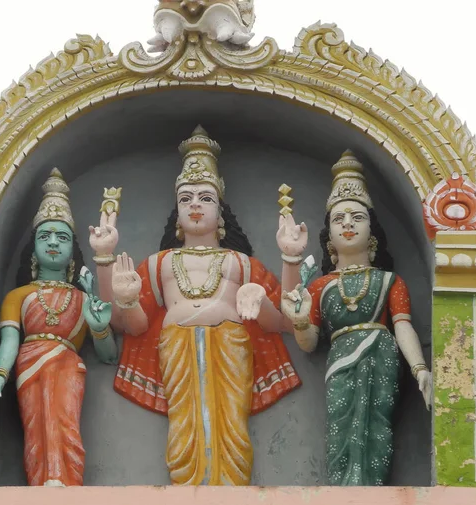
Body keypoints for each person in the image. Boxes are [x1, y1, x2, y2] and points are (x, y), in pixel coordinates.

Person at [89, 126, 305, 485]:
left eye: (205, 198)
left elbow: (283, 319)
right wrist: (106, 264)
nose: (194, 205)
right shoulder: (159, 263)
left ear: (221, 214)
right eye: (186, 198)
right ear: (176, 213)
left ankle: (232, 497)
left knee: (232, 426)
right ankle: (188, 495)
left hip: (232, 347)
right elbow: (133, 325)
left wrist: (289, 261)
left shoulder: (240, 263)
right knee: (184, 424)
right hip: (176, 347)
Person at [281, 150, 433, 486]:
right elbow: (307, 344)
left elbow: (403, 326)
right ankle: (344, 491)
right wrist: (302, 321)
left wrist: (420, 368)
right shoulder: (319, 286)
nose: (347, 224)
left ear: (372, 232)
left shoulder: (390, 281)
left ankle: (371, 490)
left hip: (381, 355)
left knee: (376, 423)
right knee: (341, 424)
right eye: (339, 219)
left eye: (356, 217)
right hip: (340, 360)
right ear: (329, 239)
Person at [0, 169, 117, 486]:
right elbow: (8, 341)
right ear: (33, 249)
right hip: (29, 365)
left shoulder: (82, 297)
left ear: (73, 247)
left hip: (68, 365)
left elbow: (109, 355)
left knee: (65, 423)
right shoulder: (18, 296)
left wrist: (99, 328)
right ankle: (42, 483)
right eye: (45, 237)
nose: (54, 243)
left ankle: (66, 482)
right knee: (37, 426)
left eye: (61, 237)